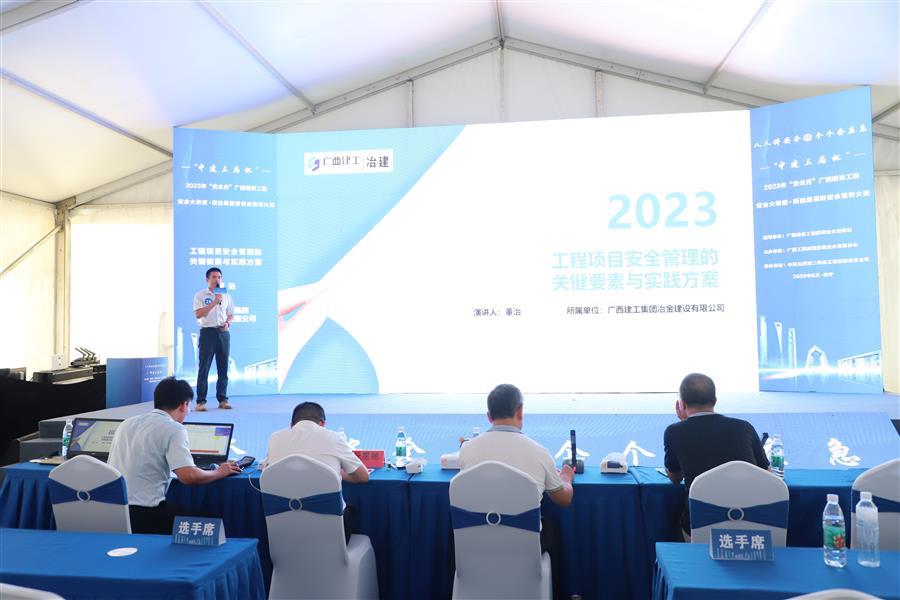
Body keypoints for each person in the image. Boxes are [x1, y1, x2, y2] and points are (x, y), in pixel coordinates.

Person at [458, 383, 574, 569]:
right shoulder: (539, 453)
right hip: (526, 549)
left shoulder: (466, 450)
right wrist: (566, 477)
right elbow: (563, 500)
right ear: (520, 412)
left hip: (477, 545)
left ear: (489, 416)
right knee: (552, 527)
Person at [107, 377, 241, 534]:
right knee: (211, 523)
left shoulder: (126, 423)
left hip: (114, 512)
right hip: (144, 514)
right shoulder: (174, 428)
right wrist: (219, 472)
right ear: (184, 405)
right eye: (188, 406)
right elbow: (188, 477)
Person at [663, 373, 770, 538]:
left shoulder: (674, 432)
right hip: (749, 523)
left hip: (699, 525)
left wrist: (685, 424)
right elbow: (766, 474)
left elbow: (675, 477)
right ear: (715, 400)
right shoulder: (744, 427)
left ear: (682, 404)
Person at [264, 401, 369, 542]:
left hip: (285, 531)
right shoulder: (333, 437)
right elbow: (363, 477)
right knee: (352, 510)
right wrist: (336, 472)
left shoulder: (275, 438)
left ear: (292, 424)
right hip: (331, 532)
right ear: (322, 424)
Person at [193, 267, 234, 411]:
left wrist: (227, 323)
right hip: (207, 333)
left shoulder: (226, 295)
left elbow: (231, 314)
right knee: (204, 368)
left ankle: (223, 399)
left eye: (219, 277)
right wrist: (215, 302)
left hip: (223, 333)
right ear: (207, 279)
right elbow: (198, 314)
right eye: (214, 277)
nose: (217, 280)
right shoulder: (200, 295)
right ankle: (200, 401)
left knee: (223, 368)